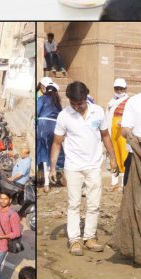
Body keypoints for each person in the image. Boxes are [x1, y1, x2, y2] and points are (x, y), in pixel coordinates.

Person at [50, 81, 117, 256]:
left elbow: (105, 136)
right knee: (74, 204)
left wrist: (113, 159)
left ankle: (89, 238)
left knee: (94, 204)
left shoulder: (98, 112)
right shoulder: (64, 116)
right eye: (73, 104)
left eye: (79, 103)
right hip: (72, 167)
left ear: (86, 97)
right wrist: (52, 168)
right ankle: (74, 240)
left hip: (94, 165)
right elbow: (57, 143)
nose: (76, 107)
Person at [36, 77, 63, 193]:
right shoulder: (57, 102)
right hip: (55, 126)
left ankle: (46, 183)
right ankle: (54, 177)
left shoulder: (42, 98)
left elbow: (37, 111)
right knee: (54, 151)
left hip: (43, 125)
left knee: (43, 153)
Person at [105, 78, 130, 186]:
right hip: (112, 129)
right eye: (117, 88)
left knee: (123, 152)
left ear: (125, 89)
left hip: (122, 129)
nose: (119, 91)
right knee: (112, 152)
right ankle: (114, 177)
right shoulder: (111, 101)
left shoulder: (129, 101)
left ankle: (124, 177)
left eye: (121, 88)